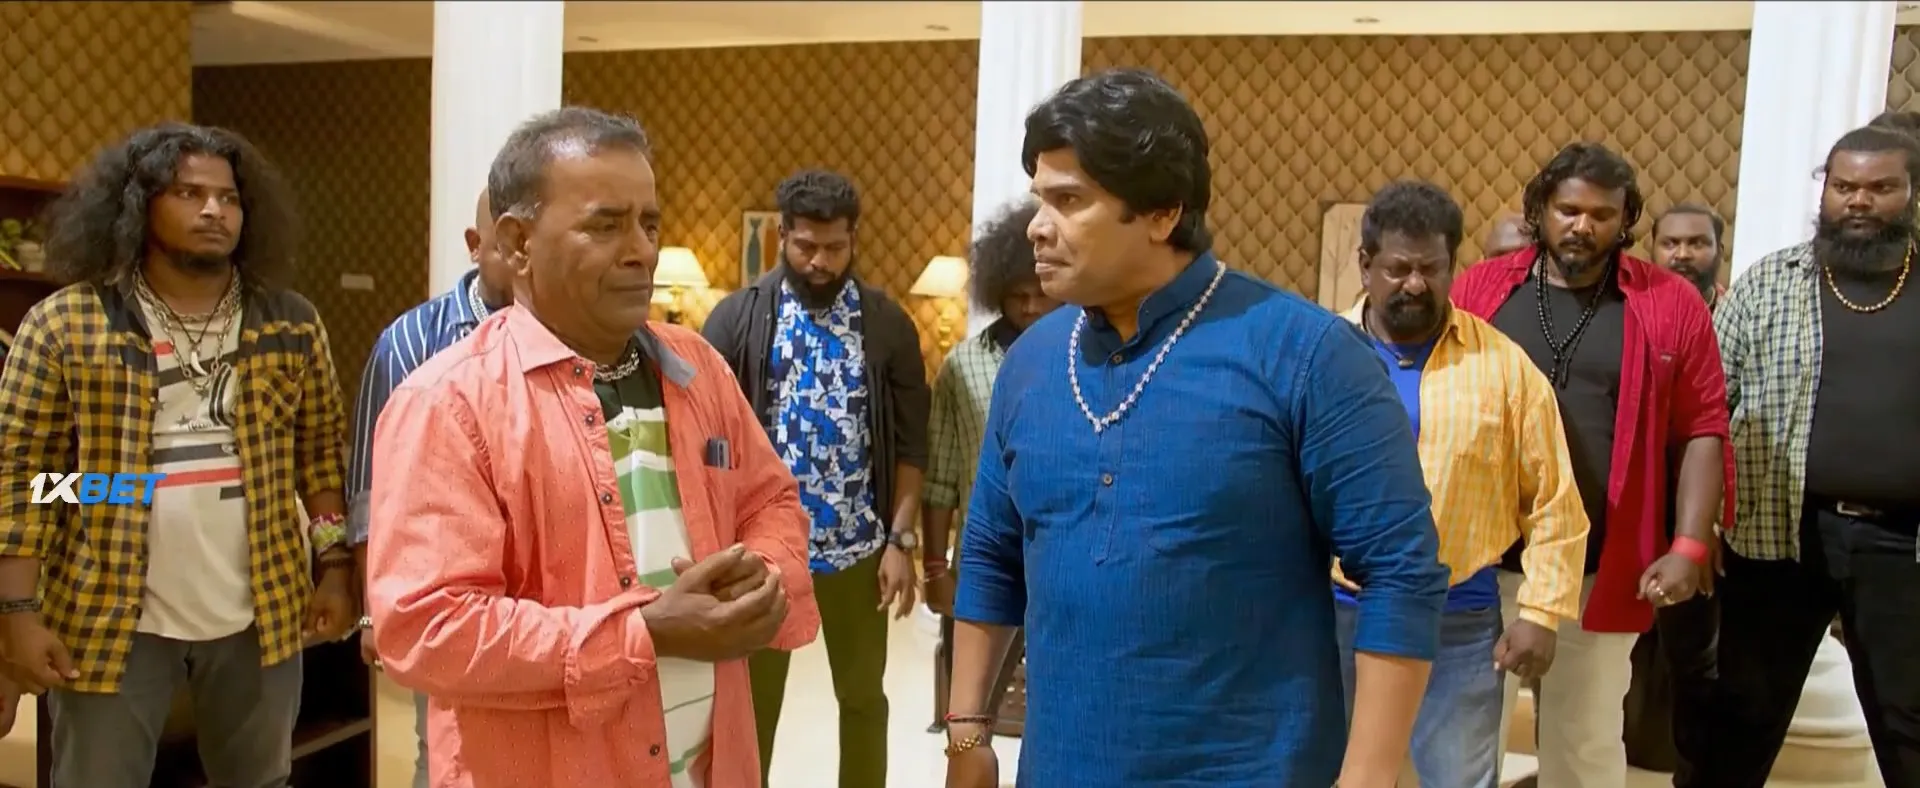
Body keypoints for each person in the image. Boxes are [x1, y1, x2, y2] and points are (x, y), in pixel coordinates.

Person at [946, 68, 1448, 788]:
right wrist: (968, 735)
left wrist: (1366, 776)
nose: (1036, 226)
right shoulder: (1029, 362)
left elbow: (1400, 570)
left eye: (1069, 200)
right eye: (1039, 198)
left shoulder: (1306, 354)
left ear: (1161, 214)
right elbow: (992, 556)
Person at [365, 107, 820, 788]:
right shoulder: (449, 404)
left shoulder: (698, 368)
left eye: (649, 224)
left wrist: (761, 572)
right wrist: (645, 633)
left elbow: (771, 499)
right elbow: (428, 628)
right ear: (517, 243)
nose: (641, 251)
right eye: (606, 226)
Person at [0, 122, 356, 787]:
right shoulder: (66, 323)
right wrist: (18, 611)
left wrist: (334, 567)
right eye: (189, 193)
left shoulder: (290, 322)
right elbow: (24, 478)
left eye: (229, 197)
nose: (214, 210)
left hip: (263, 612)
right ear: (138, 206)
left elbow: (317, 459)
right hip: (107, 613)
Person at [1450, 141, 1734, 788]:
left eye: (1602, 214)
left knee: (1584, 742)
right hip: (1480, 561)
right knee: (1462, 739)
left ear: (1626, 218)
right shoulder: (1482, 289)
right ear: (1540, 210)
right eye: (1568, 210)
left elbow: (1702, 428)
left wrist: (1689, 544)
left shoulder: (1669, 303)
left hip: (1601, 566)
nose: (1583, 226)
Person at [1682, 124, 1920, 787]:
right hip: (1778, 535)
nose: (1859, 200)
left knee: (1908, 719)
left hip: (1903, 546)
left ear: (1911, 192)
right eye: (1843, 186)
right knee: (1742, 716)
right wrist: (1699, 525)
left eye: (1881, 187)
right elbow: (1706, 408)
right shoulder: (1769, 282)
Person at [1333, 180, 1589, 788]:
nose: (1415, 284)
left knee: (1461, 779)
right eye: (1398, 268)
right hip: (1338, 612)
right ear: (1366, 265)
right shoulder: (1319, 355)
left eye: (1432, 268)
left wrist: (1541, 612)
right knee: (1334, 771)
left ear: (1453, 266)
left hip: (1459, 617)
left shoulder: (1503, 366)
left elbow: (1554, 501)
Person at [701, 169, 929, 788]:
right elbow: (702, 441)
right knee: (752, 707)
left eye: (834, 246)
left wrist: (901, 540)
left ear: (854, 239)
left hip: (858, 547)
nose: (820, 261)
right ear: (782, 236)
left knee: (862, 698)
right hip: (762, 553)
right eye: (806, 246)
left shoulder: (887, 325)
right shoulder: (737, 319)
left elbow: (913, 443)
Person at [345, 187, 513, 788]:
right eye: (508, 243)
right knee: (445, 755)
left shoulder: (579, 337)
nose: (524, 259)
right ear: (475, 244)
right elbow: (372, 489)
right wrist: (373, 612)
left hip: (553, 600)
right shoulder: (411, 342)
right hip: (449, 597)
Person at [923, 197, 1060, 731]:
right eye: (1017, 296)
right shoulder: (962, 366)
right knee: (968, 710)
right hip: (987, 559)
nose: (1030, 307)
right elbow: (940, 475)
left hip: (1059, 553)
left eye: (1039, 295)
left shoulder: (1083, 356)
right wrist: (936, 568)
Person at [1649, 203, 1728, 309]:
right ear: (1652, 251)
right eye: (1669, 244)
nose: (1683, 255)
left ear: (1719, 252)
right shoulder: (1630, 309)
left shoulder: (1739, 312)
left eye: (1698, 244)